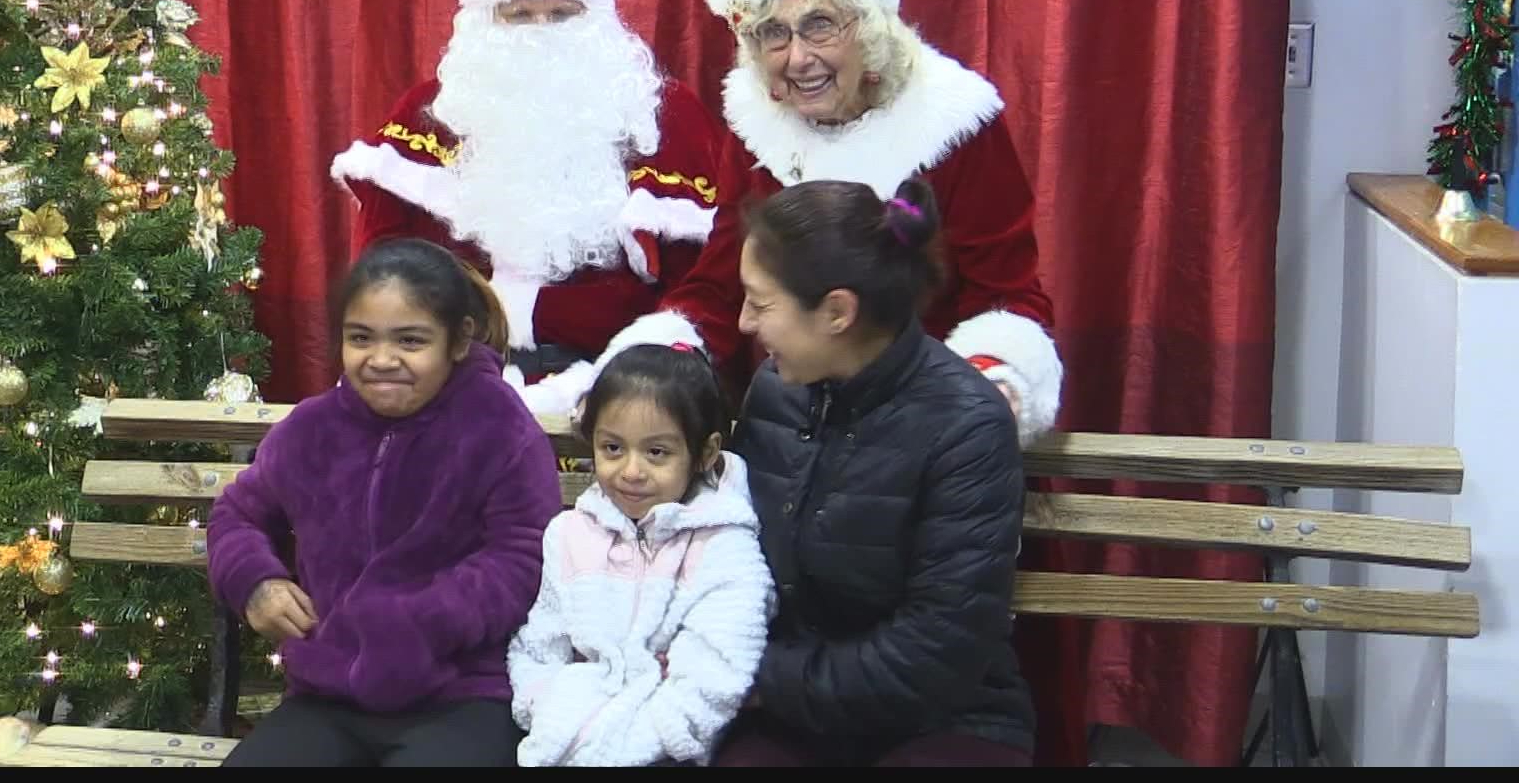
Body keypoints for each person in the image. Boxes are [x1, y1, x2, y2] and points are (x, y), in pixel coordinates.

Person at [330, 0, 742, 416]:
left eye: (562, 13)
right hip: (444, 389)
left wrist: (634, 371)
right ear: (486, 17)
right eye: (519, 13)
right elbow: (384, 268)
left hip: (620, 396)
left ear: (598, 15)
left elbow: (705, 283)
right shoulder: (428, 115)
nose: (541, 32)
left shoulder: (666, 120)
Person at [703, 0, 1063, 444]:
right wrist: (668, 353)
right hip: (791, 426)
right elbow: (718, 284)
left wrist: (984, 388)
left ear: (870, 31)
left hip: (928, 428)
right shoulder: (757, 132)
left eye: (820, 25)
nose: (798, 58)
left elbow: (1005, 293)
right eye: (774, 34)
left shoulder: (955, 127)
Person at [205, 237, 563, 766]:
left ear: (459, 340)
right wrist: (255, 582)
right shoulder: (313, 428)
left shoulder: (500, 429)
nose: (382, 360)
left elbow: (522, 557)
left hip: (462, 695)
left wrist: (411, 622)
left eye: (411, 341)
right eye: (360, 338)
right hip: (327, 694)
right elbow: (237, 513)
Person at [715, 178, 1033, 767]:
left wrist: (759, 677)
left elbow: (940, 646)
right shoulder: (775, 393)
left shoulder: (967, 424)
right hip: (790, 708)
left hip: (943, 715)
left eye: (760, 303)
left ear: (837, 311)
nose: (742, 324)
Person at [506, 343, 774, 767]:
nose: (631, 471)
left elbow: (716, 673)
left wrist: (645, 742)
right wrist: (548, 712)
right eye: (613, 448)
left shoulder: (723, 545)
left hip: (669, 747)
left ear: (705, 452)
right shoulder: (570, 533)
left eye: (657, 452)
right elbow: (539, 647)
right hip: (567, 733)